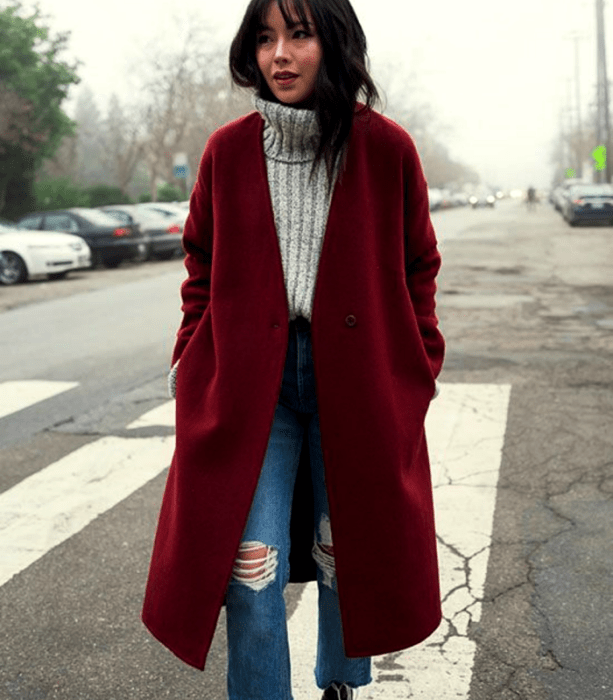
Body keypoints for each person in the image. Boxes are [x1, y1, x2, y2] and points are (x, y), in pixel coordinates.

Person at [141, 0, 445, 698]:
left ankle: (339, 683)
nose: (278, 54)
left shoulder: (385, 147)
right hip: (253, 389)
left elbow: (417, 266)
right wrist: (190, 355)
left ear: (333, 43)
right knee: (252, 564)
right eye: (265, 38)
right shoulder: (226, 150)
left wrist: (414, 369)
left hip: (359, 385)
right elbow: (201, 267)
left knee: (347, 552)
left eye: (299, 35)